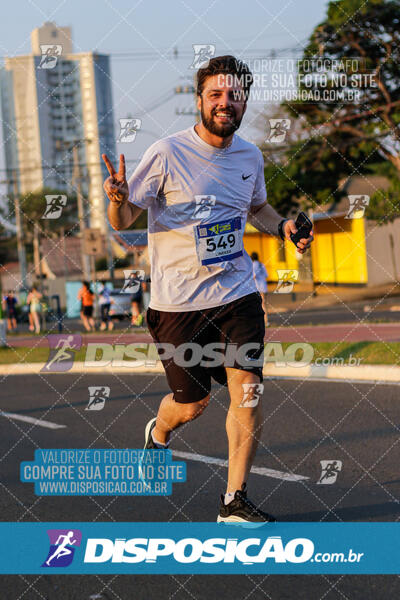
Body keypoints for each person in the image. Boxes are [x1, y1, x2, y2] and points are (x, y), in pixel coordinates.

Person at [102, 55, 313, 524]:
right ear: (198, 100)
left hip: (236, 296)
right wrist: (116, 199)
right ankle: (158, 432)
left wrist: (284, 230)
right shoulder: (166, 153)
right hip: (178, 305)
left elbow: (258, 206)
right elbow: (124, 222)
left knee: (248, 392)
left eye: (234, 94)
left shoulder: (250, 157)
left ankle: (233, 501)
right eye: (215, 94)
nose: (225, 102)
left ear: (243, 102)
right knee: (193, 405)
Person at [251, 252, 269, 326]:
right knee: (263, 305)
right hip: (264, 287)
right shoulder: (262, 264)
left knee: (256, 305)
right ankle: (266, 321)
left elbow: (254, 276)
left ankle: (258, 322)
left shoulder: (253, 265)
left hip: (257, 288)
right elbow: (266, 275)